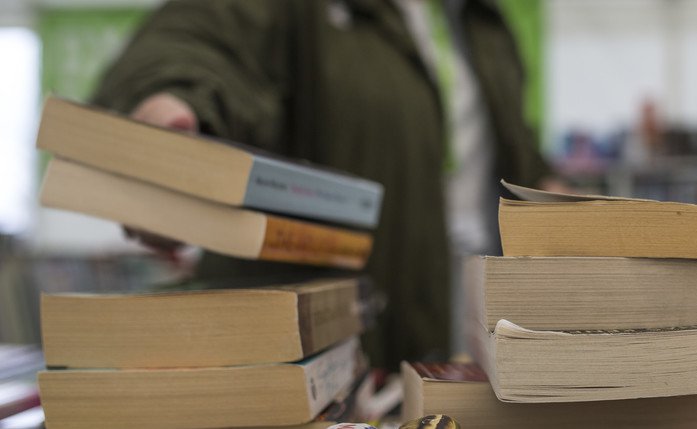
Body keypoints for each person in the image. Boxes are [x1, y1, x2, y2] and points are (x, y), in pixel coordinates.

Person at [91, 0, 562, 370]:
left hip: (470, 344)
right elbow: (195, 43)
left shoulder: (482, 19)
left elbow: (509, 151)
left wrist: (561, 202)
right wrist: (165, 113)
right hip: (332, 354)